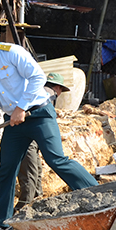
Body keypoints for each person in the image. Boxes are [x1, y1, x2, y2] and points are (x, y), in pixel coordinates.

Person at [0, 17, 98, 230]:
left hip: (38, 114)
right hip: (14, 123)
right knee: (7, 171)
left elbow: (38, 77)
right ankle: (2, 224)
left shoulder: (12, 53)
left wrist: (21, 107)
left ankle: (97, 195)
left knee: (56, 159)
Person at [16, 73, 70, 210]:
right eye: (61, 91)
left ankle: (37, 202)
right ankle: (23, 208)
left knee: (36, 169)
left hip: (31, 137)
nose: (60, 93)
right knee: (29, 173)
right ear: (57, 87)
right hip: (26, 137)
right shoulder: (48, 96)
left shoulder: (42, 92)